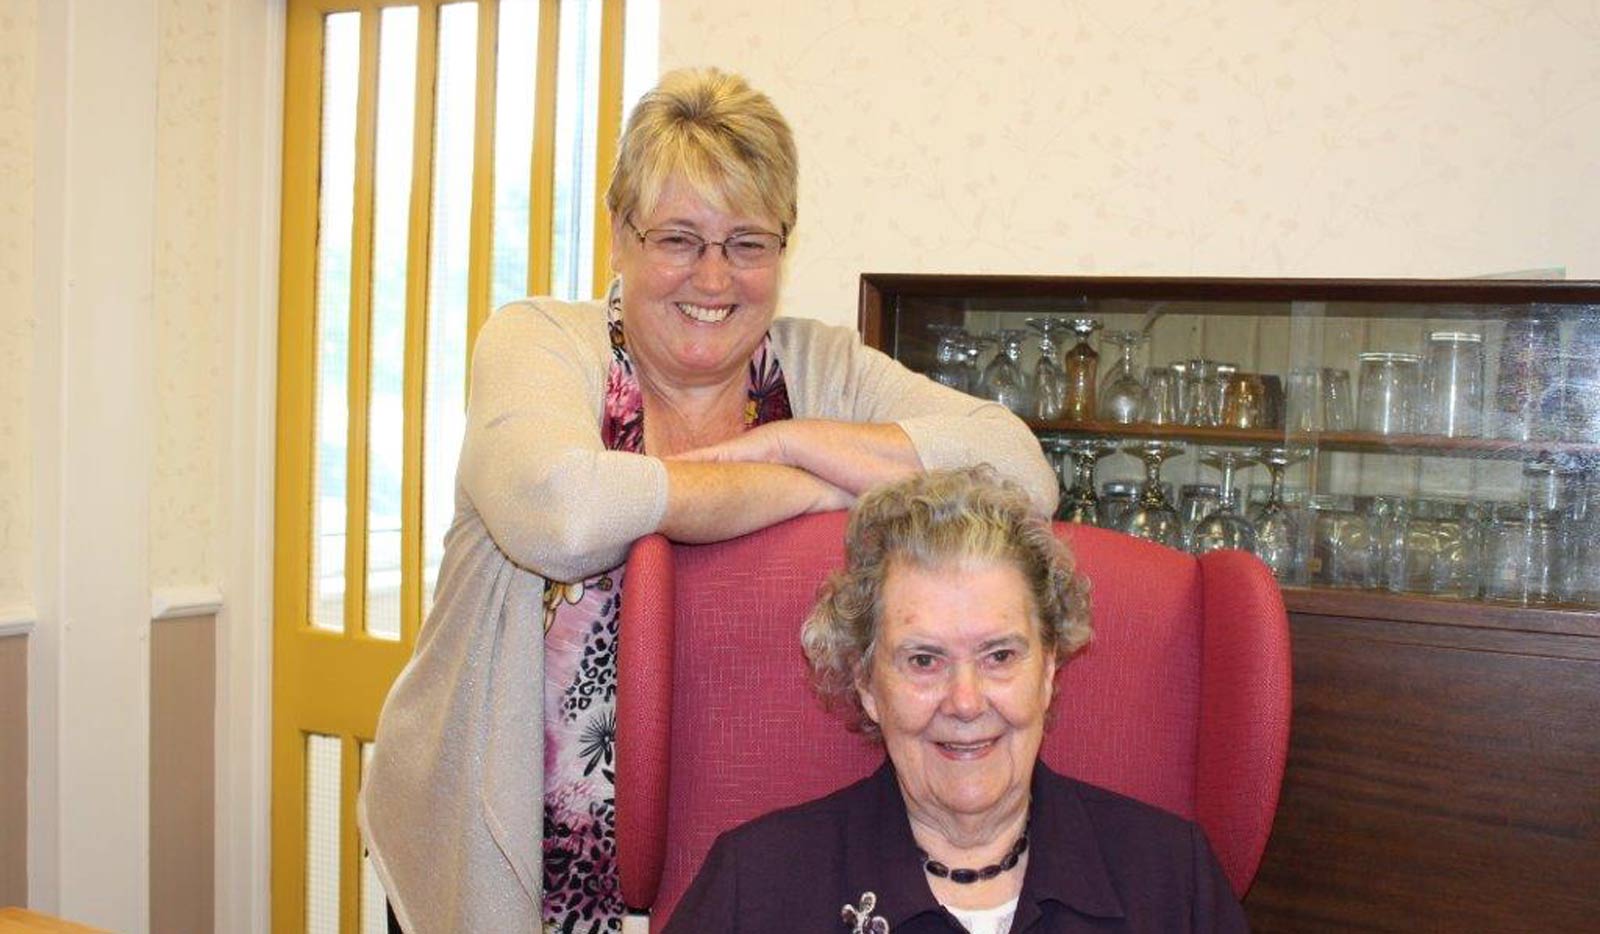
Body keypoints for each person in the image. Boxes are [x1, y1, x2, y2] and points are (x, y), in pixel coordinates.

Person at [358, 69, 1057, 934]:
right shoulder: (543, 343)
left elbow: (1019, 470)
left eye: (748, 243)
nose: (714, 278)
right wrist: (822, 485)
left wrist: (784, 440)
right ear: (620, 233)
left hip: (721, 862)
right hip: (495, 849)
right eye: (679, 238)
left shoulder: (819, 371)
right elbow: (564, 517)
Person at [665, 467, 1248, 933]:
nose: (965, 702)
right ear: (868, 686)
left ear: (1048, 670)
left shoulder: (1174, 880)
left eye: (999, 657)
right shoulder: (757, 886)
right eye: (924, 660)